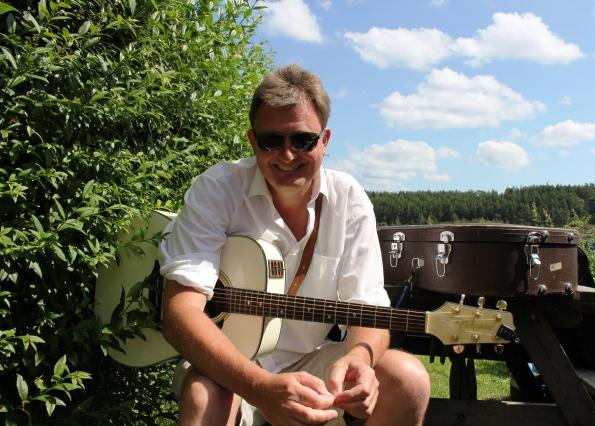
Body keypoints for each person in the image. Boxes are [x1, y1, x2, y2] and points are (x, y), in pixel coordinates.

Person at [159, 64, 430, 426]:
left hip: (309, 362)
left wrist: (360, 359)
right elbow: (181, 311)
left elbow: (368, 309)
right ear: (252, 140)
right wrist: (259, 388)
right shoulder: (218, 189)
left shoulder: (349, 201)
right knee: (205, 395)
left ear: (325, 140)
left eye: (302, 140)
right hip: (227, 363)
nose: (287, 155)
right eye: (271, 141)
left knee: (407, 378)